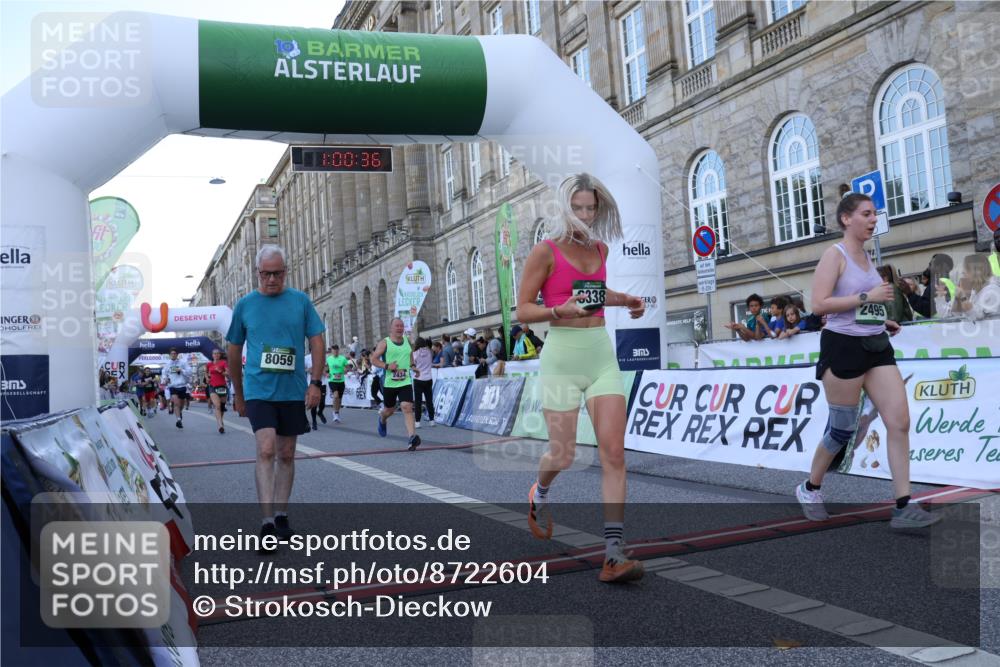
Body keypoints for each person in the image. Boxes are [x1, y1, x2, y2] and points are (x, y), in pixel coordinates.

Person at [516, 173, 646, 584]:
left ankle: (613, 553)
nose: (586, 215)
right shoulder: (546, 250)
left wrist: (626, 300)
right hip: (562, 357)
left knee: (614, 454)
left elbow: (595, 294)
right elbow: (522, 310)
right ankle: (540, 492)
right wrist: (557, 312)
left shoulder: (600, 248)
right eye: (578, 208)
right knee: (564, 455)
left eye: (592, 208)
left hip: (601, 356)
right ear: (564, 207)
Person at [798, 193, 939, 529]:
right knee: (843, 429)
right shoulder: (836, 255)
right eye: (866, 213)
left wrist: (880, 319)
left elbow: (864, 307)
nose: (874, 219)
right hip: (842, 346)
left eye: (875, 214)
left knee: (899, 421)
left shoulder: (867, 258)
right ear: (847, 218)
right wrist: (868, 297)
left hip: (875, 345)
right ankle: (810, 487)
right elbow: (818, 304)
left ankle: (903, 505)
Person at [226, 244, 325, 550]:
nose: (271, 279)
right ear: (258, 273)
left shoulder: (300, 301)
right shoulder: (245, 305)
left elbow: (317, 341)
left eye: (277, 273)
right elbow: (232, 350)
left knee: (287, 453)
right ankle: (267, 522)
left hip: (292, 390)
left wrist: (316, 383)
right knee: (266, 449)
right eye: (266, 274)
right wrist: (239, 393)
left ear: (285, 272)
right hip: (258, 390)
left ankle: (281, 515)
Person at [371, 318, 421, 450]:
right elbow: (373, 359)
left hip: (405, 381)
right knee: (389, 410)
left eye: (401, 326)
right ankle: (382, 419)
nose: (399, 328)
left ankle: (412, 438)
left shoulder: (407, 341)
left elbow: (409, 354)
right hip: (390, 383)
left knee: (407, 406)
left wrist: (413, 366)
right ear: (391, 328)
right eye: (397, 326)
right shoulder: (385, 343)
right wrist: (387, 366)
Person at [934, 253, 1000, 320]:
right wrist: (941, 297)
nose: (963, 272)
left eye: (966, 269)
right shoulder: (973, 291)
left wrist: (963, 297)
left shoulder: (992, 291)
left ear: (976, 271)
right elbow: (948, 315)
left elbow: (977, 317)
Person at [899, 253, 954, 318]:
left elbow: (927, 309)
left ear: (940, 266)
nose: (928, 267)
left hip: (936, 325)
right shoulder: (950, 284)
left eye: (931, 264)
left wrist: (909, 293)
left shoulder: (938, 284)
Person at [163, 348, 191, 429]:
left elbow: (189, 372)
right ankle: (178, 420)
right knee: (176, 403)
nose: (173, 355)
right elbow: (164, 373)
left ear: (177, 354)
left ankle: (180, 412)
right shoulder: (167, 364)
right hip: (173, 386)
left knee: (181, 404)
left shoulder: (183, 363)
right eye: (171, 353)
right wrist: (165, 379)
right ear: (169, 355)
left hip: (182, 386)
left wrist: (181, 370)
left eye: (175, 353)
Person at [411, 337, 436, 428]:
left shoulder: (414, 353)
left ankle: (417, 422)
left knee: (418, 402)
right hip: (428, 378)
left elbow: (412, 366)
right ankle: (432, 420)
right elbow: (430, 345)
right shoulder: (430, 352)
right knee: (429, 401)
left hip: (418, 379)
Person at [205, 349, 230, 434]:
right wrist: (207, 378)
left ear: (219, 355)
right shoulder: (209, 364)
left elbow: (228, 373)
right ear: (212, 355)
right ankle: (220, 425)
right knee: (217, 406)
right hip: (212, 386)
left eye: (217, 353)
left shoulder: (223, 363)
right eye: (214, 353)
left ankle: (221, 420)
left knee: (222, 406)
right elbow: (206, 372)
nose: (216, 355)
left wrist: (221, 371)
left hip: (222, 386)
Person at [325, 344, 348, 423]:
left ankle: (337, 413)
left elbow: (347, 367)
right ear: (331, 351)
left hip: (341, 381)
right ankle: (335, 413)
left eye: (336, 350)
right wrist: (326, 373)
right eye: (334, 350)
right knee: (336, 396)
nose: (335, 352)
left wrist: (346, 370)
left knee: (340, 399)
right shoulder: (329, 359)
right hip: (332, 380)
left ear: (338, 350)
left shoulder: (342, 358)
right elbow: (325, 368)